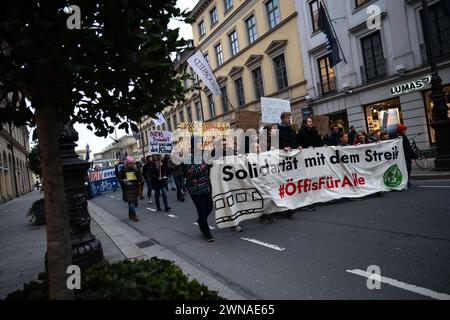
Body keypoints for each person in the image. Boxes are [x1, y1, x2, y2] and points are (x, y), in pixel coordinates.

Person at [184, 137, 215, 242]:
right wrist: (206, 165)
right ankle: (206, 232)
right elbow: (192, 172)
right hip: (194, 189)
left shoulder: (205, 154)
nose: (201, 144)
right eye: (198, 142)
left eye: (201, 142)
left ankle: (201, 221)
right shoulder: (188, 156)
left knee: (210, 207)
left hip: (205, 186)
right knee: (201, 210)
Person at [297, 116, 323, 212]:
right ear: (305, 123)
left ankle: (316, 197)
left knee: (316, 178)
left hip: (315, 158)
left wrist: (322, 144)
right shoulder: (301, 133)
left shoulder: (315, 131)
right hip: (307, 159)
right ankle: (309, 201)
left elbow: (319, 143)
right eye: (309, 121)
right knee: (308, 180)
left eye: (311, 121)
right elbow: (299, 144)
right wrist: (307, 147)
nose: (311, 123)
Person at [117, 156, 140, 221]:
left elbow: (139, 177)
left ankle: (130, 214)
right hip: (127, 188)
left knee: (132, 202)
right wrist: (123, 180)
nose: (130, 164)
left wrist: (136, 170)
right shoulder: (122, 170)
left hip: (134, 187)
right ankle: (135, 215)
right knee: (131, 202)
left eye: (131, 163)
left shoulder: (134, 169)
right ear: (126, 163)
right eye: (129, 163)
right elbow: (119, 179)